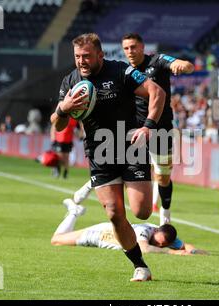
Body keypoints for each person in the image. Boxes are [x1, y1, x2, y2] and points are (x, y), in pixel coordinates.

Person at [50, 33, 165, 282]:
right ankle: (140, 266)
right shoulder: (71, 81)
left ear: (100, 55)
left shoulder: (120, 71)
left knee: (142, 211)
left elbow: (157, 93)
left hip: (130, 144)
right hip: (99, 151)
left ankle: (144, 230)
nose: (82, 61)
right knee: (114, 213)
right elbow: (57, 125)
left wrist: (148, 126)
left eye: (87, 56)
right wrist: (63, 109)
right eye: (78, 56)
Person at [72, 33, 194, 226]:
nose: (130, 51)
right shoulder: (123, 71)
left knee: (162, 176)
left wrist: (183, 66)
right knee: (119, 161)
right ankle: (91, 185)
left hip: (161, 129)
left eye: (134, 47)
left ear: (143, 47)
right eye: (126, 48)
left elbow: (184, 64)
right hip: (136, 128)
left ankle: (165, 213)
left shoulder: (157, 60)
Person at [51, 199, 207, 256]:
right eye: (158, 242)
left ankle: (74, 212)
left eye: (162, 245)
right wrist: (172, 252)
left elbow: (185, 245)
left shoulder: (163, 236)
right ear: (156, 231)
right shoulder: (144, 232)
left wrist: (192, 251)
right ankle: (74, 212)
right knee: (56, 240)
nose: (158, 245)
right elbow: (144, 249)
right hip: (100, 234)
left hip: (105, 235)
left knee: (59, 239)